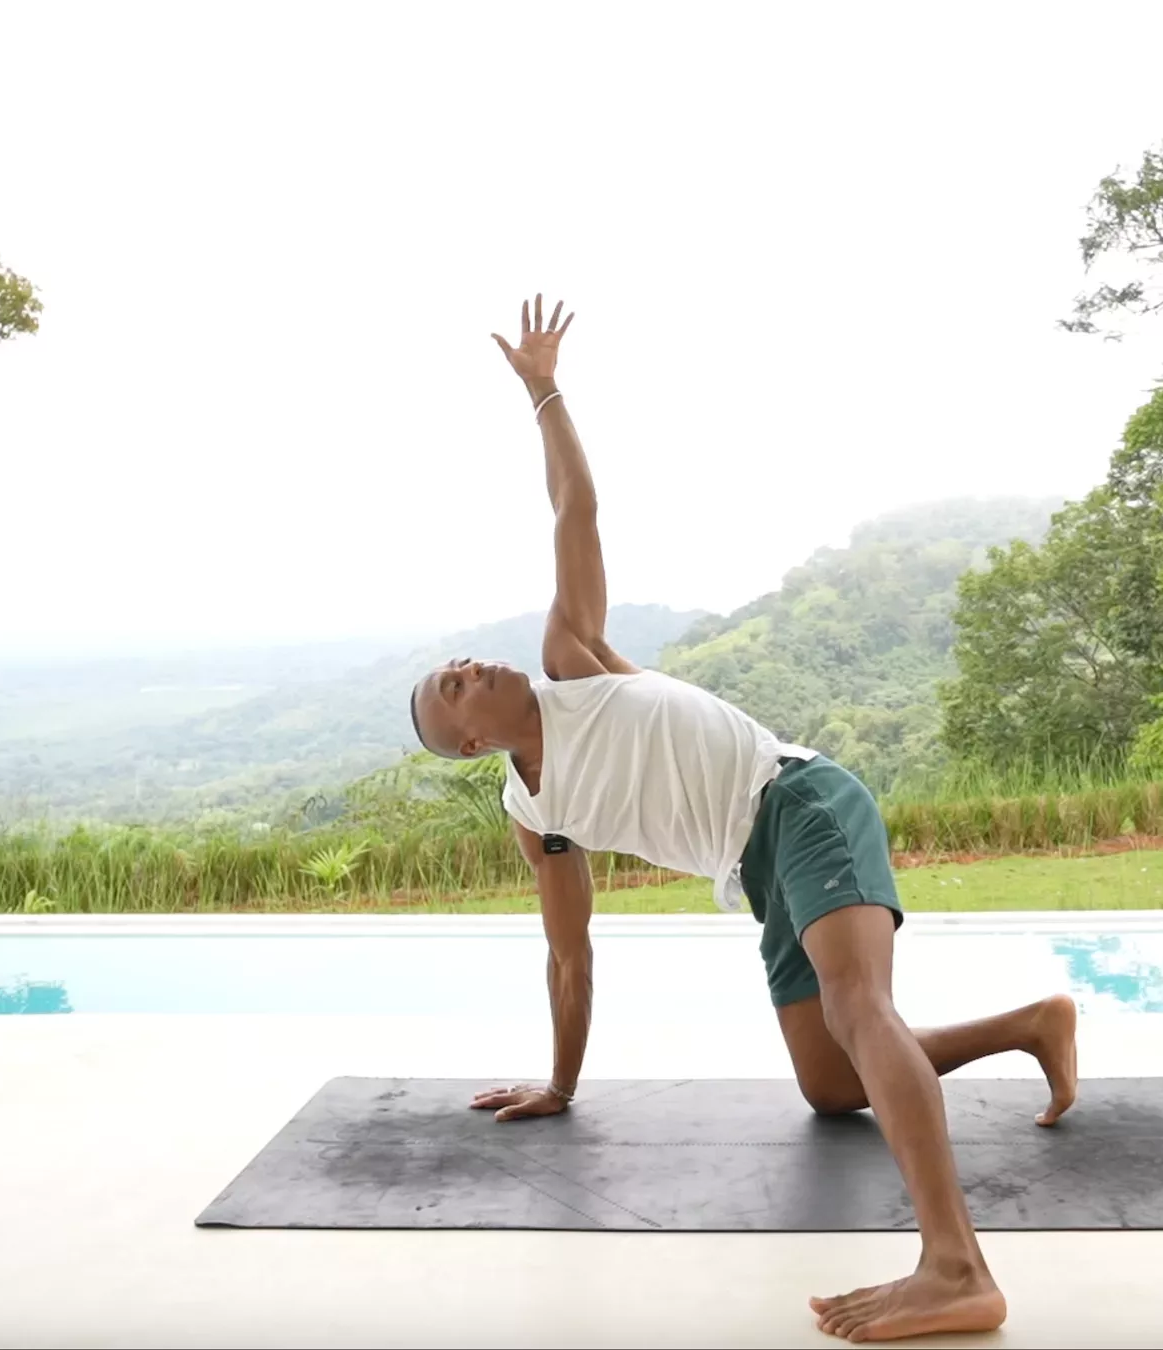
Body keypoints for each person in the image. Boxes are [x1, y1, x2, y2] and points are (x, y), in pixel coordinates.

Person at [409, 296, 1078, 1344]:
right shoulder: (532, 809)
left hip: (802, 800)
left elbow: (574, 512)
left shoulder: (571, 662)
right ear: (467, 745)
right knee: (827, 1083)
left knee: (861, 1013)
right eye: (447, 692)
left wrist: (544, 390)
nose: (461, 672)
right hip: (758, 870)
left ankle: (956, 1267)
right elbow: (570, 955)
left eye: (456, 667)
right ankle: (1032, 1025)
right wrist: (561, 1084)